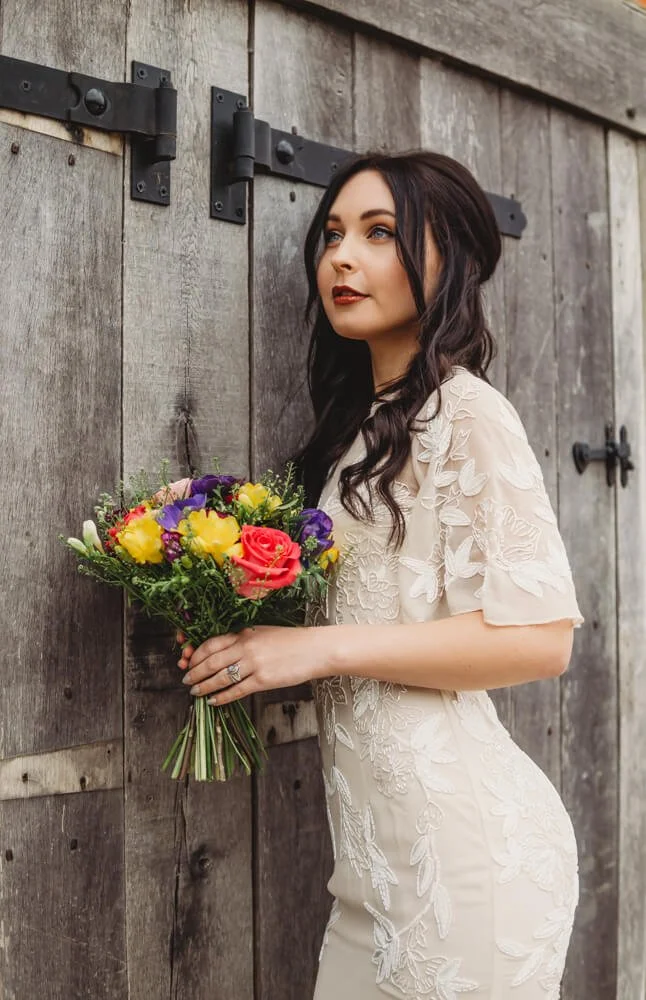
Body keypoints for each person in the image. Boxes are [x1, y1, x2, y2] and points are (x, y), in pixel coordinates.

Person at [165, 151, 584, 999]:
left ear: (449, 261)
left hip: (466, 865)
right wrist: (240, 634)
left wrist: (311, 650)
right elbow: (371, 624)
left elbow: (541, 640)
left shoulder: (466, 412)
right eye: (332, 235)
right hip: (373, 872)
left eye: (379, 233)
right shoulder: (365, 434)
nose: (341, 258)